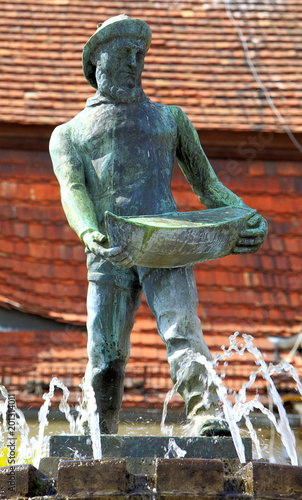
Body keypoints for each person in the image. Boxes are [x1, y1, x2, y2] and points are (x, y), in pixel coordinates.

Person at [49, 15, 267, 435]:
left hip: (165, 243)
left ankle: (206, 413)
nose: (135, 61)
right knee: (105, 354)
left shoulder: (170, 119)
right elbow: (72, 190)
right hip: (108, 248)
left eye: (140, 53)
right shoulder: (69, 133)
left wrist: (246, 216)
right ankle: (99, 432)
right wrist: (87, 231)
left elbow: (208, 186)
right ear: (98, 63)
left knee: (182, 329)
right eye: (123, 52)